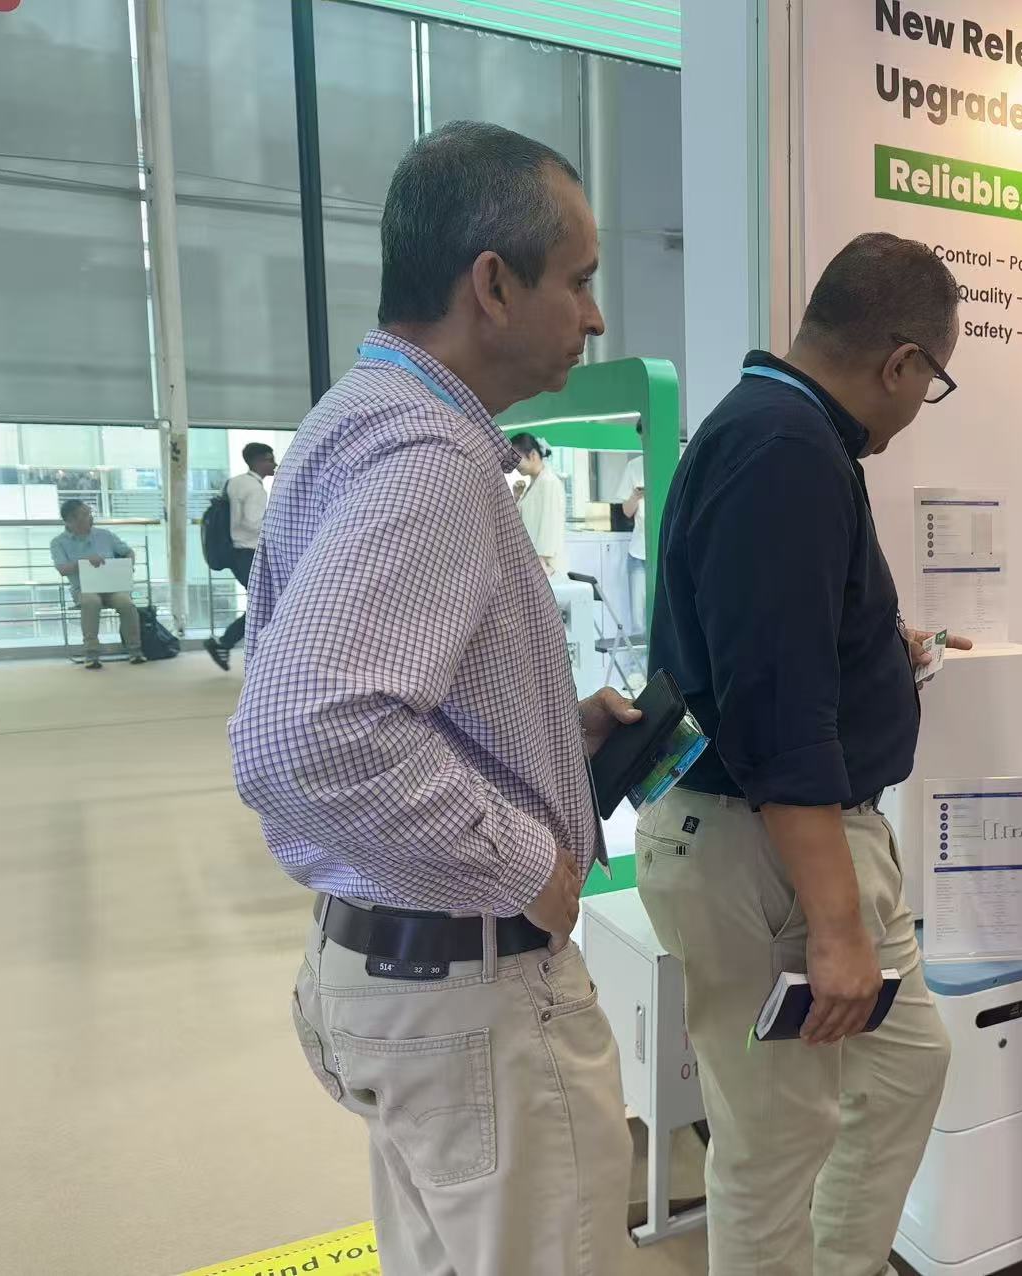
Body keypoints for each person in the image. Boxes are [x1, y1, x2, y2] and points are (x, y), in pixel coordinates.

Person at [228, 121, 638, 1276]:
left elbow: (365, 695)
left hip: (396, 973)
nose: (596, 317)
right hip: (471, 990)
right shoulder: (431, 458)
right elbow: (305, 735)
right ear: (492, 285)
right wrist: (524, 860)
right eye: (579, 280)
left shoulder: (355, 420)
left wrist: (549, 737)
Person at [637, 231, 968, 1275]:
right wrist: (834, 926)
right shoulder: (786, 449)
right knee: (775, 1143)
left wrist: (874, 652)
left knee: (904, 1068)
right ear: (902, 363)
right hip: (770, 848)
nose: (919, 407)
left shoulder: (780, 432)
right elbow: (777, 714)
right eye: (933, 384)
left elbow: (773, 645)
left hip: (783, 836)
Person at [204, 442, 276, 670]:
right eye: (270, 459)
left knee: (263, 603)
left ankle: (227, 643)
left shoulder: (234, 482)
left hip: (234, 551)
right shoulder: (256, 489)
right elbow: (253, 522)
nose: (274, 464)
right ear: (258, 461)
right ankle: (227, 643)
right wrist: (276, 526)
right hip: (250, 553)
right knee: (267, 604)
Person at [49, 499, 143, 669]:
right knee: (91, 602)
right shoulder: (58, 542)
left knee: (126, 603)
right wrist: (84, 562)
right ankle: (91, 652)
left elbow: (128, 551)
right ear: (71, 520)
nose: (90, 517)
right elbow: (62, 569)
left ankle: (134, 650)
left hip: (112, 586)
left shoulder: (105, 535)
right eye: (85, 514)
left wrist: (128, 565)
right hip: (84, 589)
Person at [508, 431, 567, 575]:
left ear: (533, 455)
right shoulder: (534, 483)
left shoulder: (548, 482)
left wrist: (542, 560)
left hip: (544, 566)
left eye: (517, 458)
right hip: (532, 561)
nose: (514, 465)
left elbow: (550, 525)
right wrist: (517, 497)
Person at [611, 453, 646, 636]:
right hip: (639, 552)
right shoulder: (635, 466)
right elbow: (627, 511)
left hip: (666, 551)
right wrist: (636, 495)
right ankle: (639, 656)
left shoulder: (676, 458)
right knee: (638, 621)